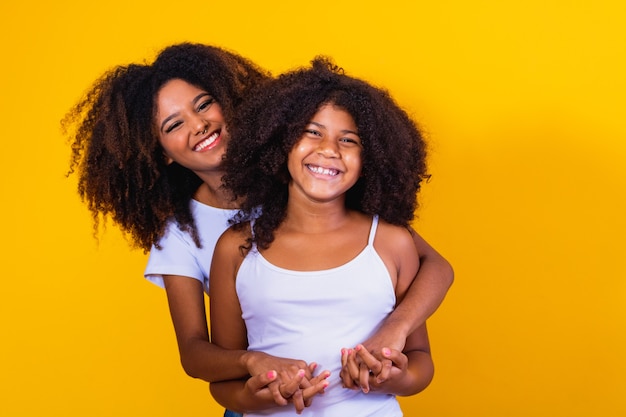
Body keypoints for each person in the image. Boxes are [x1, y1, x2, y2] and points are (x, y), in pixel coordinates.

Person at [62, 43, 452, 414]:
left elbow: (432, 267)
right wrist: (255, 367)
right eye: (175, 124)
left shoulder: (309, 182)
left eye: (204, 105)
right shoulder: (196, 238)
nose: (198, 125)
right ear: (160, 150)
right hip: (256, 391)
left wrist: (395, 333)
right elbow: (197, 352)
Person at [209, 57, 439, 416]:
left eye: (349, 140)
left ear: (371, 159)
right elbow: (222, 380)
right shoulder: (236, 248)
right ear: (279, 140)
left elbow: (420, 362)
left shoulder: (390, 242)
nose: (329, 149)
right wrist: (256, 394)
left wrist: (391, 376)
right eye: (312, 132)